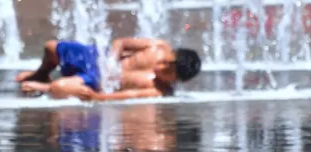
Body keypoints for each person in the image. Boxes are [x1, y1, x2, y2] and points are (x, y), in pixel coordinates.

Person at [15, 38, 202, 101]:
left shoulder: (159, 90)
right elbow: (120, 42)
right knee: (50, 47)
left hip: (98, 81)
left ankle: (45, 87)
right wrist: (111, 61)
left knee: (59, 88)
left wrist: (99, 98)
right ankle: (40, 74)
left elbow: (127, 96)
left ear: (176, 80)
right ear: (172, 53)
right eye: (165, 62)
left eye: (168, 72)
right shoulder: (159, 47)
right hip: (99, 57)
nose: (160, 67)